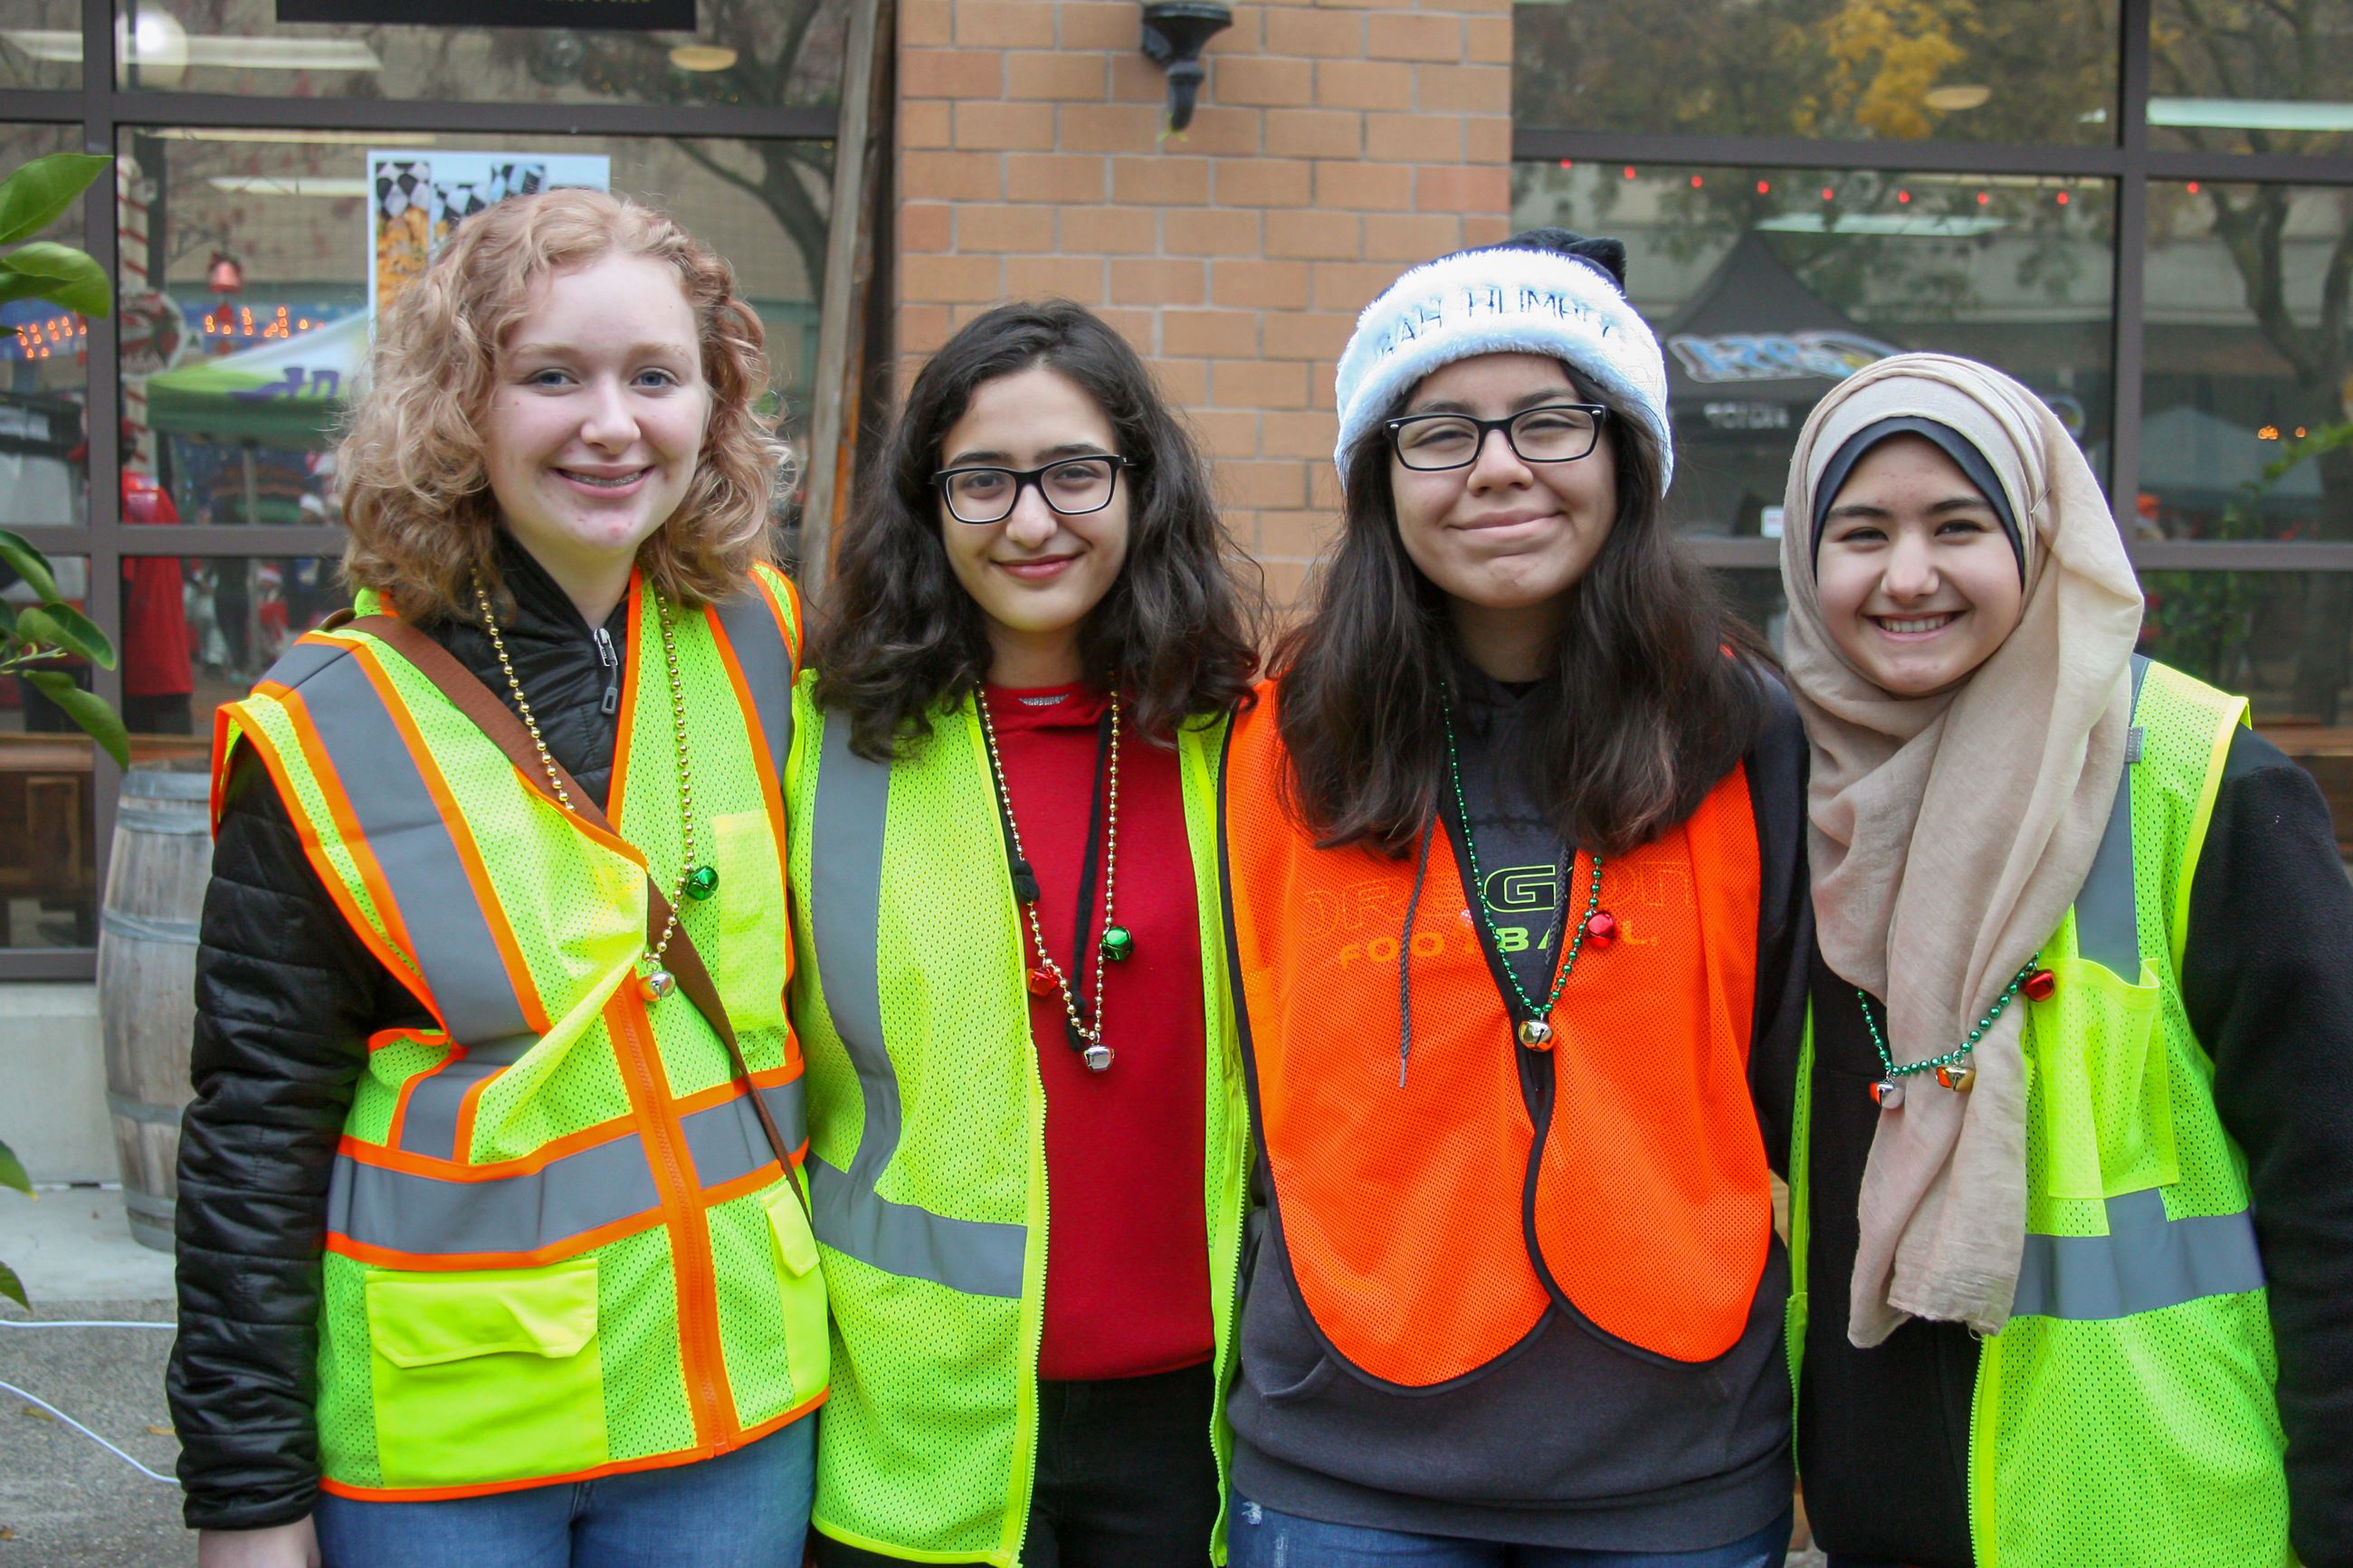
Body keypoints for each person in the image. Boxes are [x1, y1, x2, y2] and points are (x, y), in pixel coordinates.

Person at [168, 188, 825, 1568]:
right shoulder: (324, 727)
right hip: (452, 1461)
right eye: (550, 376)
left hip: (732, 1419)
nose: (610, 423)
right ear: (461, 407)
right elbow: (252, 1144)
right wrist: (249, 1502)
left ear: (713, 404)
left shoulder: (765, 636)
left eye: (655, 376)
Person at [1218, 229, 1809, 1566]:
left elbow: (1788, 1079)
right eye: (1440, 434)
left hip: (1674, 1458)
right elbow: (1248, 1072)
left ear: (1626, 457)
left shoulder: (1743, 725)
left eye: (1551, 420)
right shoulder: (1281, 737)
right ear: (1379, 477)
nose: (1498, 468)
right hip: (1346, 1457)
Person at [1777, 353, 2353, 1568]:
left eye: (1959, 524)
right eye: (1863, 531)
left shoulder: (2200, 786)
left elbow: (2334, 1182)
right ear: (1805, 559)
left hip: (2164, 1516)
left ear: (2042, 537)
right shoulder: (1789, 801)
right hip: (1881, 1525)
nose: (1909, 574)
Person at [789, 299, 1260, 1567]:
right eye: (983, 480)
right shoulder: (819, 744)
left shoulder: (1246, 744)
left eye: (1073, 473)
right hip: (908, 1424)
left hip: (1198, 1430)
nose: (1032, 519)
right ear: (928, 502)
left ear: (1140, 487)